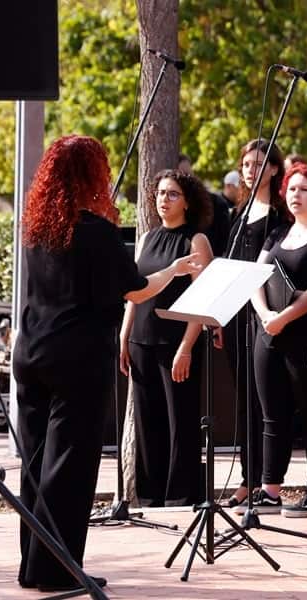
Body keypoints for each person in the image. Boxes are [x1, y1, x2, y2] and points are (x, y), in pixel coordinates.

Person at [13, 135, 203, 591]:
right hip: (77, 357)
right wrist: (174, 270)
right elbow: (136, 289)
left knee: (35, 463)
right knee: (69, 464)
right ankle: (57, 571)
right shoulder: (95, 231)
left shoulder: (37, 227)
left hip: (32, 350)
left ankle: (33, 566)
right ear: (90, 175)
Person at [118, 169, 214, 508]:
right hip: (141, 341)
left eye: (173, 194)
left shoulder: (196, 241)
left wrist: (187, 347)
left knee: (180, 422)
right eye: (160, 193)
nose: (164, 199)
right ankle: (150, 495)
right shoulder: (146, 238)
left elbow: (203, 301)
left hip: (176, 343)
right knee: (147, 422)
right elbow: (135, 293)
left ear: (187, 201)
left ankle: (180, 495)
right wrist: (124, 336)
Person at [248, 163, 307, 517]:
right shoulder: (277, 232)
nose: (295, 195)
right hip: (268, 332)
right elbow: (256, 276)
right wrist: (265, 315)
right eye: (291, 189)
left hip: (304, 335)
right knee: (272, 415)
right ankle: (270, 489)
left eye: (304, 189)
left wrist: (283, 317)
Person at [222, 139, 286, 510]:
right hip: (236, 315)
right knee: (245, 400)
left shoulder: (279, 216)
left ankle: (268, 480)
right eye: (246, 164)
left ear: (274, 168)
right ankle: (248, 479)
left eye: (258, 163)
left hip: (264, 314)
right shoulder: (239, 212)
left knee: (268, 401)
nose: (250, 170)